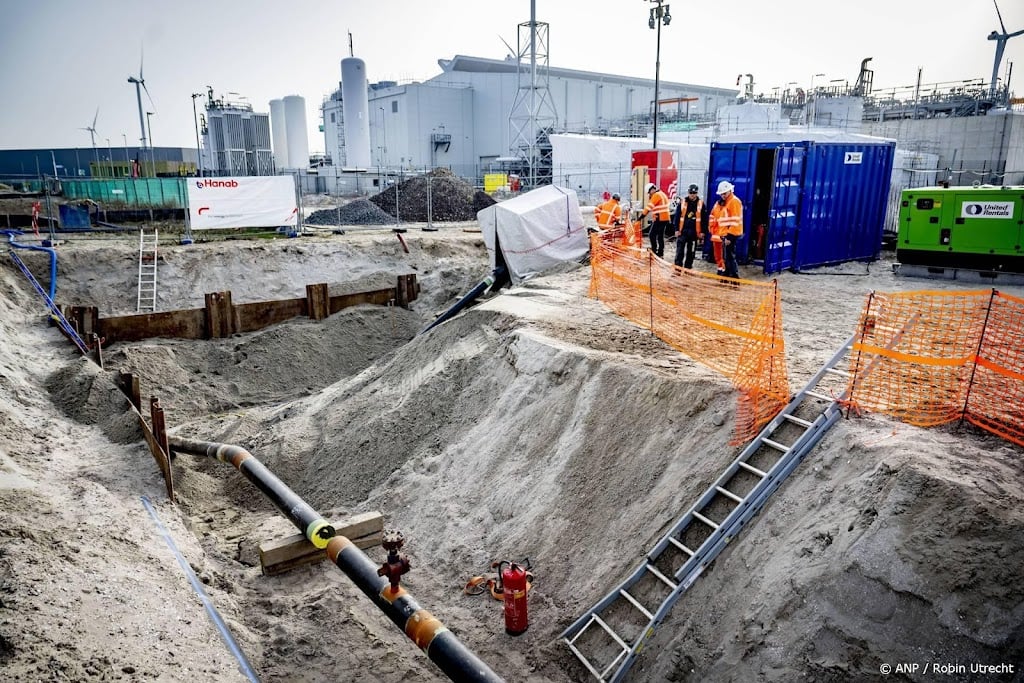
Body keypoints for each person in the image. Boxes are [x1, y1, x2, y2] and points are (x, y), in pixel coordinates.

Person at [709, 180, 743, 278]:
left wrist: (729, 236)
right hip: (727, 234)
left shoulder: (733, 202)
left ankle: (734, 277)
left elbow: (734, 221)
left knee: (730, 257)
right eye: (721, 194)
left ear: (730, 191)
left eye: (724, 193)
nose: (723, 195)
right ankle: (727, 276)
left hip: (731, 234)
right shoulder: (728, 202)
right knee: (727, 257)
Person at [672, 184, 705, 269]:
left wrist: (703, 232)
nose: (692, 194)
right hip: (682, 231)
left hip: (694, 233)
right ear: (688, 192)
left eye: (694, 193)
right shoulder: (683, 202)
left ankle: (688, 268)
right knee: (680, 251)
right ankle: (678, 269)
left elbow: (704, 219)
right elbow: (677, 217)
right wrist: (676, 229)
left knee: (691, 252)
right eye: (691, 192)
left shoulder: (701, 204)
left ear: (697, 193)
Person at [641, 182, 671, 258]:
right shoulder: (662, 194)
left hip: (660, 218)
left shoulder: (656, 195)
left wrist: (641, 217)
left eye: (649, 193)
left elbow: (648, 207)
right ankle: (660, 252)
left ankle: (654, 250)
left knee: (652, 234)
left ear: (651, 190)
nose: (649, 195)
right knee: (660, 236)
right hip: (664, 218)